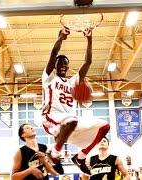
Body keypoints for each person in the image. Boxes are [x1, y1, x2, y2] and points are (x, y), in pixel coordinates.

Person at [41, 27, 110, 174]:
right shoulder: (48, 77)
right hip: (51, 118)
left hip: (70, 123)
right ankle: (54, 154)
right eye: (60, 63)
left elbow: (88, 61)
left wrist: (89, 38)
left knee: (105, 126)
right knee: (71, 119)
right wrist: (60, 38)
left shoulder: (73, 82)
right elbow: (53, 54)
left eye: (65, 64)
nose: (63, 65)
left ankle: (80, 157)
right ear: (54, 65)